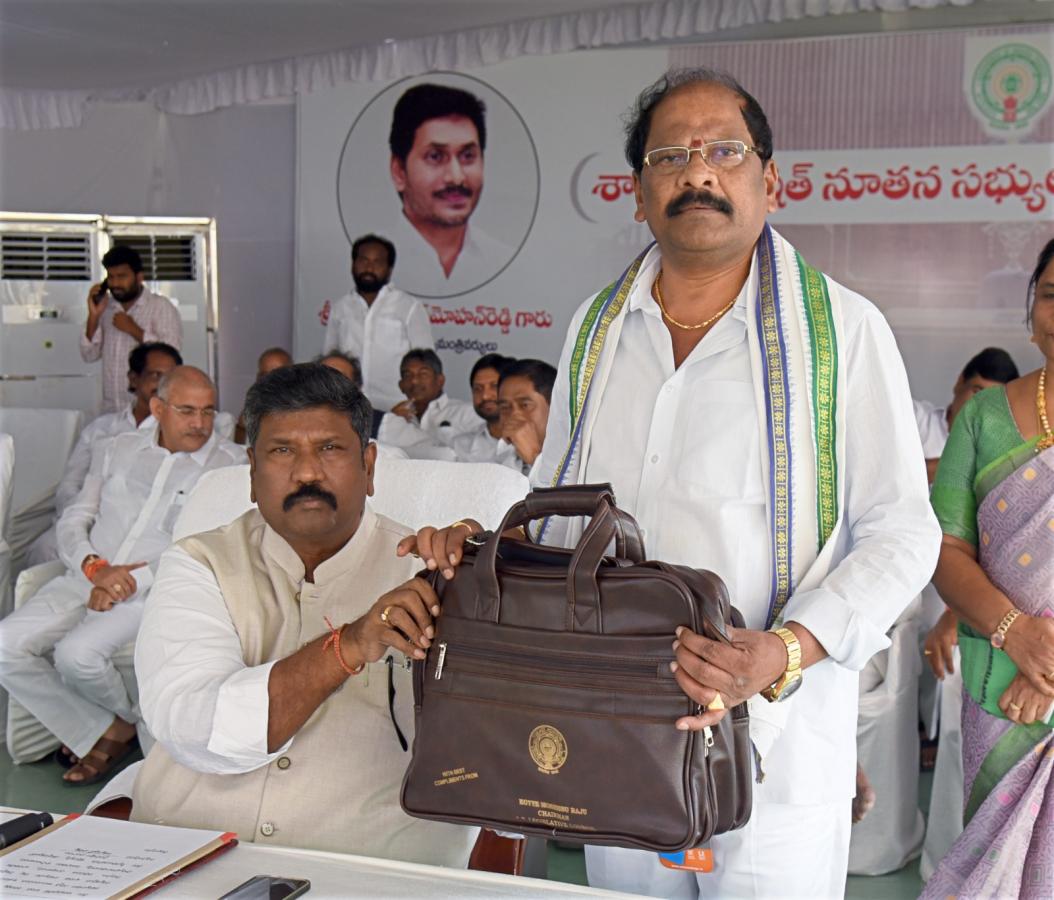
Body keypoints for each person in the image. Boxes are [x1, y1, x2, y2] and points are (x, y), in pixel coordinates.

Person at [403, 68, 940, 899]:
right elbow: (556, 502)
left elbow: (904, 532)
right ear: (638, 191)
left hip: (774, 744)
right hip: (613, 729)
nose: (699, 172)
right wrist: (484, 550)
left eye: (724, 149)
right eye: (670, 156)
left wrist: (784, 651)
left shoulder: (843, 333)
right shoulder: (597, 329)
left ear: (770, 178)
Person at [131, 364, 477, 866]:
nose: (308, 472)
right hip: (189, 852)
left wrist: (497, 570)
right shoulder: (198, 563)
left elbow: (510, 727)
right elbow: (193, 724)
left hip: (369, 869)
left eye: (331, 448)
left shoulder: (433, 571)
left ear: (370, 465)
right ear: (252, 472)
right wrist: (351, 646)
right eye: (282, 450)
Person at [0, 367, 241, 786]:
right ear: (158, 408)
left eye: (208, 411)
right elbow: (76, 517)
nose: (200, 423)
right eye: (187, 411)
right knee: (4, 646)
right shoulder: (117, 448)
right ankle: (112, 728)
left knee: (77, 655)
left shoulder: (229, 465)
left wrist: (130, 581)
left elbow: (208, 542)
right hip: (86, 574)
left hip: (153, 588)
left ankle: (108, 737)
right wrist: (95, 568)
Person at [921, 240, 1054, 899]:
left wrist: (1051, 667)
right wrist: (1016, 634)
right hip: (999, 678)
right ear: (1032, 312)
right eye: (1053, 293)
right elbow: (946, 552)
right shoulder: (981, 418)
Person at [27, 342, 184, 566]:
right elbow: (70, 485)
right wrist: (85, 519)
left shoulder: (181, 434)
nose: (162, 385)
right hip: (89, 518)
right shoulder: (101, 429)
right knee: (44, 549)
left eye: (170, 377)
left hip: (144, 528)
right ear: (133, 378)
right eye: (155, 375)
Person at [388, 83, 508, 291]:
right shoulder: (370, 263)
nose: (456, 177)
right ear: (399, 172)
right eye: (435, 156)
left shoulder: (504, 259)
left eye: (468, 156)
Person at [321, 234, 433, 412]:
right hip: (348, 408)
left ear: (389, 269)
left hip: (397, 409)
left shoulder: (409, 307)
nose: (369, 267)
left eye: (377, 262)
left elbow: (426, 365)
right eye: (363, 260)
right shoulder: (340, 309)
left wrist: (412, 405)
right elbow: (329, 364)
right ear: (353, 264)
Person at [81, 245, 183, 413]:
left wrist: (134, 330)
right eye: (111, 277)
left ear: (139, 277)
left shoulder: (160, 306)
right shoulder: (106, 308)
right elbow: (88, 354)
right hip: (111, 410)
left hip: (149, 410)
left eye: (122, 276)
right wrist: (93, 316)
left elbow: (171, 353)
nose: (115, 283)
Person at [915, 347, 1020, 484]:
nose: (981, 407)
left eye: (993, 401)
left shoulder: (1005, 452)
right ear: (960, 382)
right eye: (977, 392)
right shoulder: (914, 417)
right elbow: (889, 473)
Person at [377, 349, 477, 458]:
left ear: (440, 381)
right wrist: (392, 421)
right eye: (408, 375)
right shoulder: (395, 418)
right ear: (401, 385)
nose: (414, 381)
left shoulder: (466, 412)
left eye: (423, 374)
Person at [495, 358, 556, 474]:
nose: (514, 415)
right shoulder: (500, 458)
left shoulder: (581, 457)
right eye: (504, 407)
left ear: (554, 406)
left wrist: (534, 457)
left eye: (525, 405)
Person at [450, 352, 513, 462]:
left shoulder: (540, 444)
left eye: (494, 386)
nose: (485, 396)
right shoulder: (459, 446)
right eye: (478, 389)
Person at [235, 347, 293, 444]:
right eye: (265, 374)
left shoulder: (304, 405)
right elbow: (239, 449)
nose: (271, 379)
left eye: (279, 373)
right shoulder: (253, 406)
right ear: (259, 377)